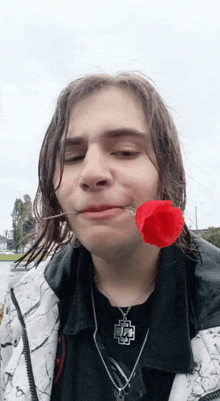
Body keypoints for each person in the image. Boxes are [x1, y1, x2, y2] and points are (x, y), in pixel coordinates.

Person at [0, 72, 220, 401]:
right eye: (73, 157)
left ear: (167, 172)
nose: (91, 173)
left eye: (125, 151)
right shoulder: (22, 310)